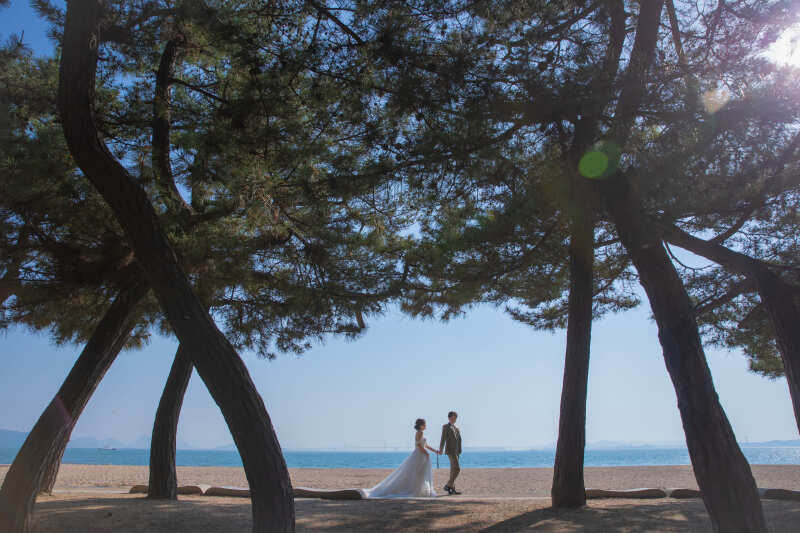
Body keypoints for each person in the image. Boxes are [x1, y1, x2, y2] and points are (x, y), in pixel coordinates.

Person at [361, 418, 441, 498]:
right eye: (424, 424)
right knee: (417, 473)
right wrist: (426, 453)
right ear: (421, 425)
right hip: (419, 455)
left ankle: (419, 489)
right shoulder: (419, 433)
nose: (426, 425)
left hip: (422, 455)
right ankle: (415, 490)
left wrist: (435, 451)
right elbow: (419, 445)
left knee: (420, 473)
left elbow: (426, 445)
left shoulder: (421, 433)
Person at [439, 411, 462, 495]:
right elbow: (443, 439)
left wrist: (459, 451)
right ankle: (448, 485)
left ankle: (452, 489)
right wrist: (441, 449)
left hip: (457, 452)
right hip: (450, 451)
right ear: (449, 418)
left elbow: (459, 441)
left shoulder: (456, 428)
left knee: (453, 470)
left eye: (456, 417)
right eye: (453, 417)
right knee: (457, 469)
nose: (454, 419)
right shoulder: (446, 427)